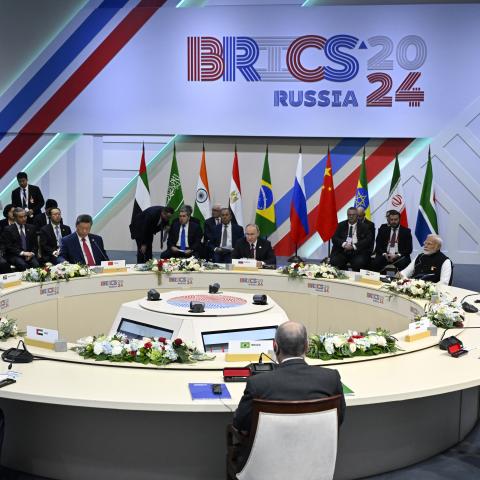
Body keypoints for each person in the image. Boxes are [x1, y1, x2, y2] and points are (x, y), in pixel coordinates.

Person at [232, 321, 345, 469]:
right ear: (307, 346)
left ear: (275, 346)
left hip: (266, 467)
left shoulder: (258, 384)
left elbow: (240, 424)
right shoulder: (331, 378)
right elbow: (339, 418)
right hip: (315, 464)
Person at [330, 207, 373, 271]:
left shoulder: (365, 227)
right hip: (342, 251)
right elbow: (334, 238)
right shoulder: (340, 225)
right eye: (349, 215)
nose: (351, 216)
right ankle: (343, 276)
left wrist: (353, 246)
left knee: (359, 263)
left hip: (357, 252)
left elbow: (368, 240)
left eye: (353, 215)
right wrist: (344, 244)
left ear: (357, 216)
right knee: (335, 261)